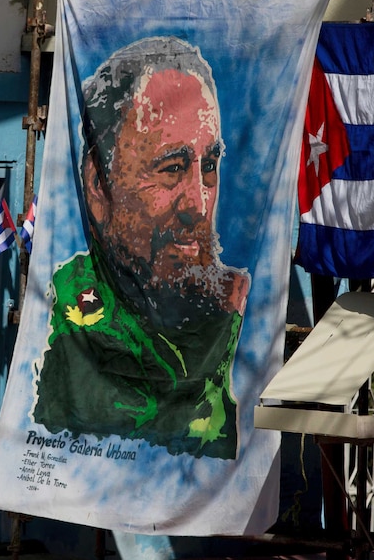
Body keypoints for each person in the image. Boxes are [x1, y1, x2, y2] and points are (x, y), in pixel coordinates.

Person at [32, 36, 250, 460]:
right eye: (172, 169)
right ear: (99, 185)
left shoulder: (235, 307)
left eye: (208, 167)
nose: (198, 204)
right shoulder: (67, 320)